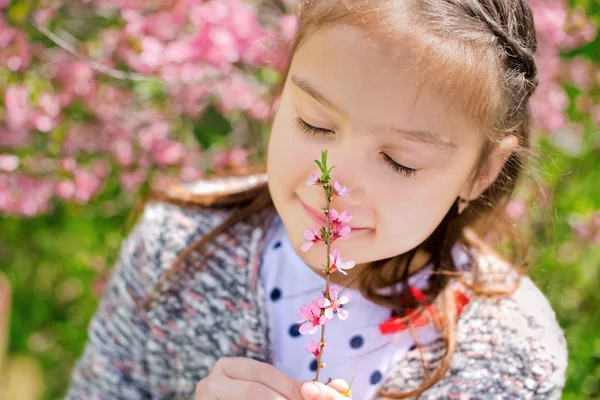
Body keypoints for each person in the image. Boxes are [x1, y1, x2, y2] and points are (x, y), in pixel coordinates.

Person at [64, 0, 568, 399]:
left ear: (480, 172)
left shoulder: (512, 348)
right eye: (314, 123)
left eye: (400, 161)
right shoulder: (174, 247)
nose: (333, 184)